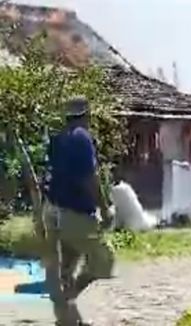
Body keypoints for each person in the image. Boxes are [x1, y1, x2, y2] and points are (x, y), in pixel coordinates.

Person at [43, 96, 114, 326]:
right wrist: (104, 208)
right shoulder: (82, 138)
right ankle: (69, 296)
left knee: (68, 263)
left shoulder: (58, 138)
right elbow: (89, 179)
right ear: (86, 115)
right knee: (104, 259)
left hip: (53, 209)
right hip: (75, 211)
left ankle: (67, 319)